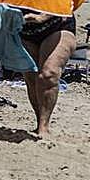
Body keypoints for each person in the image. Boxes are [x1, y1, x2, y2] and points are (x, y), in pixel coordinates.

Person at [19, 9, 78, 138]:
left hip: (57, 26)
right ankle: (39, 120)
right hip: (23, 29)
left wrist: (43, 17)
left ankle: (44, 126)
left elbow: (68, 0)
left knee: (48, 74)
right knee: (31, 76)